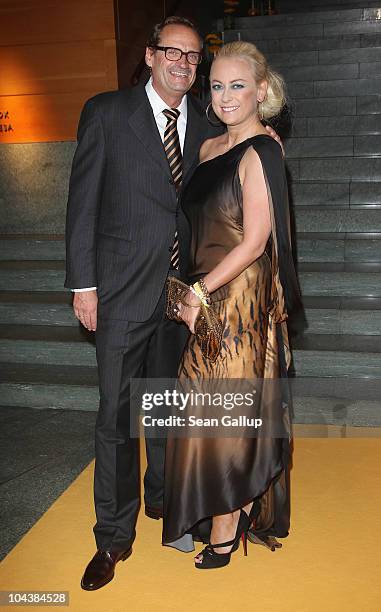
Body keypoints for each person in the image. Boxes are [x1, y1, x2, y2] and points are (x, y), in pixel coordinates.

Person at [65, 16, 283, 589]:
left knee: (165, 414)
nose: (184, 63)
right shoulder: (107, 112)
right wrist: (82, 285)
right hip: (120, 294)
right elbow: (82, 204)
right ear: (149, 55)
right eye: (173, 52)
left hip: (184, 303)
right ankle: (112, 538)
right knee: (116, 418)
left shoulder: (211, 126)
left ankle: (166, 509)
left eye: (193, 56)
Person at [162, 40, 302, 569]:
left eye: (237, 85)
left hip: (239, 297)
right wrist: (186, 287)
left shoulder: (263, 149)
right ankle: (222, 509)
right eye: (216, 85)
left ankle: (227, 522)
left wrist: (201, 290)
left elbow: (256, 239)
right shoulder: (206, 150)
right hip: (202, 293)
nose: (225, 96)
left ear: (262, 91)